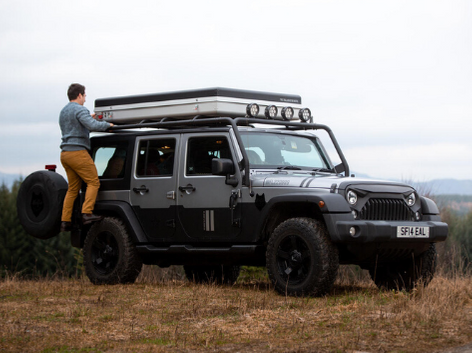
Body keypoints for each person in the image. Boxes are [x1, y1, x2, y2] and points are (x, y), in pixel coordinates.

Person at [59, 83, 114, 232]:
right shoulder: (80, 109)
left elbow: (75, 124)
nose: (85, 99)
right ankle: (87, 213)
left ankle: (65, 221)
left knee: (72, 189)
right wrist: (107, 125)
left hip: (65, 154)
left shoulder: (64, 111)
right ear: (79, 95)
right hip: (78, 153)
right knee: (93, 182)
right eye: (84, 96)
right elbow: (92, 126)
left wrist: (88, 117)